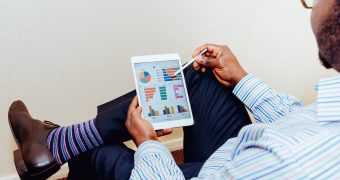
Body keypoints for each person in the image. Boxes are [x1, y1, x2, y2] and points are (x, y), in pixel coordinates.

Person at [8, 0, 340, 179]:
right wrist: (242, 78)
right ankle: (51, 143)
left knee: (97, 153)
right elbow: (304, 120)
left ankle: (57, 144)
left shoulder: (291, 162)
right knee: (203, 75)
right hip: (233, 163)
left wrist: (149, 144)